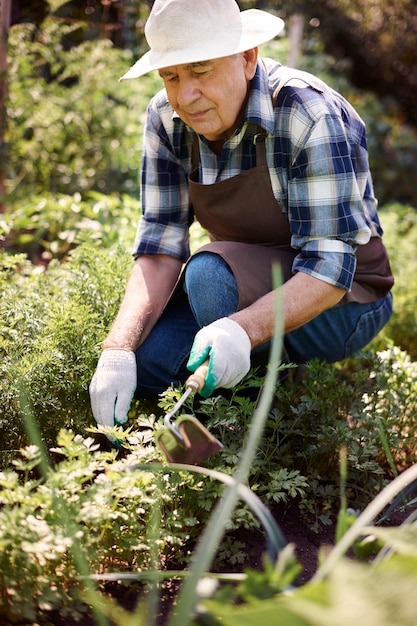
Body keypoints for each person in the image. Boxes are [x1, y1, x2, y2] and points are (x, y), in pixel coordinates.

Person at [89, 0, 394, 428]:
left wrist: (242, 331)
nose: (185, 96)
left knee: (209, 275)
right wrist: (117, 350)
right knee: (152, 365)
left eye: (200, 69)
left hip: (347, 299)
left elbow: (329, 270)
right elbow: (159, 246)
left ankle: (271, 425)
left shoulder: (308, 114)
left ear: (248, 58)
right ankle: (231, 403)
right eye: (171, 76)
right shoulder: (166, 118)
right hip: (246, 280)